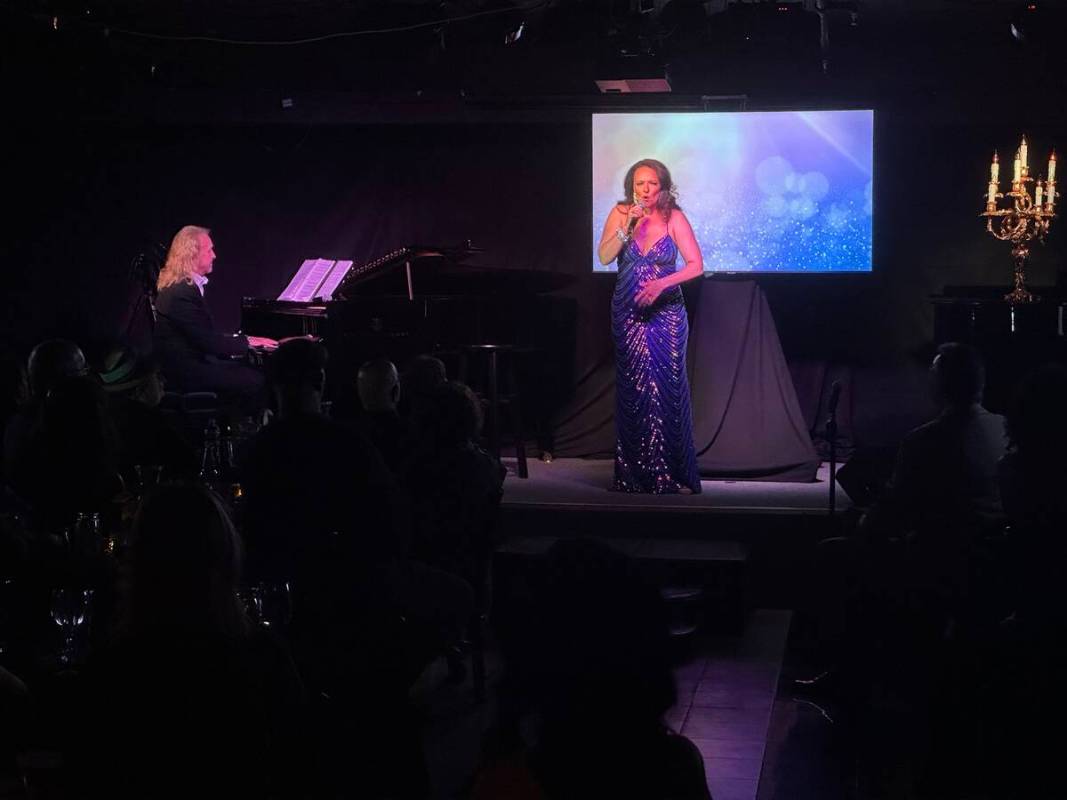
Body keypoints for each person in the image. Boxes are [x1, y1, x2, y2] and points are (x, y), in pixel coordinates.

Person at [598, 159, 703, 494]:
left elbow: (696, 266)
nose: (645, 190)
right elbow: (604, 257)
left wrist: (662, 284)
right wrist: (626, 226)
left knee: (667, 389)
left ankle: (672, 473)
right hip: (627, 312)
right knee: (634, 389)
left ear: (663, 187)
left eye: (652, 184)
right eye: (639, 184)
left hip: (667, 315)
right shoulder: (620, 213)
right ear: (632, 186)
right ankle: (633, 475)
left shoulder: (675, 217)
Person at [152, 226, 275, 409]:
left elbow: (202, 335)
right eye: (209, 250)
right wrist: (246, 342)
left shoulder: (182, 287)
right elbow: (210, 344)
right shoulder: (180, 292)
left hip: (190, 365)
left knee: (247, 371)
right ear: (192, 254)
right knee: (256, 379)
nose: (215, 255)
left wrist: (243, 341)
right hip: (187, 371)